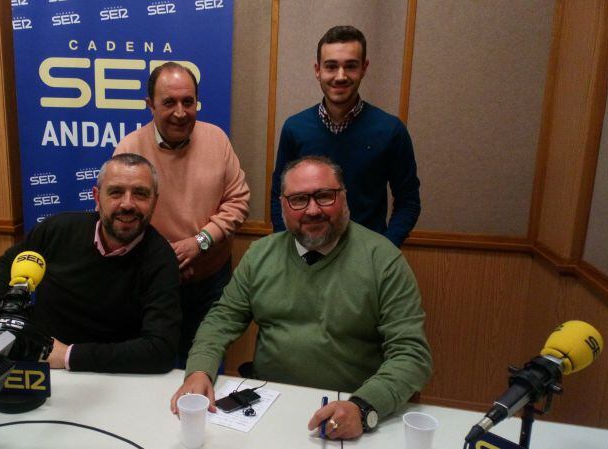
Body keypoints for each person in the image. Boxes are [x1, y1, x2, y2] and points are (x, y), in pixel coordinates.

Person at [171, 156, 432, 440]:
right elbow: (221, 320)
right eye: (298, 199)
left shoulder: (382, 260)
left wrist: (363, 407)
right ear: (282, 205)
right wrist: (199, 371)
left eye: (324, 196)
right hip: (267, 406)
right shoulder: (261, 255)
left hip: (345, 410)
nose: (312, 210)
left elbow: (411, 355)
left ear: (344, 198)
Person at [0, 153, 181, 374]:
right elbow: (7, 265)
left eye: (140, 194)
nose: (127, 204)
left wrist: (68, 355)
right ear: (97, 198)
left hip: (109, 375)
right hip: (34, 361)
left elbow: (160, 350)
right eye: (116, 192)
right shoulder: (57, 229)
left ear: (154, 202)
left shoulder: (161, 260)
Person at [114, 62, 250, 365]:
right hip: (152, 283)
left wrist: (199, 243)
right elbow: (121, 218)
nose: (180, 112)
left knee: (205, 364)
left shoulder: (217, 139)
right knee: (154, 366)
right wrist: (165, 262)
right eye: (169, 102)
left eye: (188, 101)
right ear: (150, 105)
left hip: (210, 278)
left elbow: (238, 202)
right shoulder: (130, 148)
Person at [270, 25, 421, 247]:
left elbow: (408, 202)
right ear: (317, 70)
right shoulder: (295, 128)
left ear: (363, 68)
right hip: (306, 256)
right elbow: (278, 196)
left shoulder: (390, 131)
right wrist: (289, 247)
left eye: (350, 66)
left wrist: (385, 250)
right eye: (331, 66)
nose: (340, 76)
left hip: (366, 259)